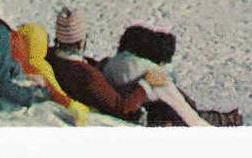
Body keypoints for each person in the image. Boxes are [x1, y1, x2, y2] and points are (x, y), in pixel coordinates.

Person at [103, 25, 241, 127]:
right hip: (155, 116)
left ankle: (227, 119)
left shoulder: (112, 65)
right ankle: (229, 120)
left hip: (145, 109)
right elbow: (187, 113)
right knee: (183, 106)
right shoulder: (151, 74)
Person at [46, 8, 166, 122]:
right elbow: (122, 108)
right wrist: (146, 84)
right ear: (81, 43)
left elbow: (74, 66)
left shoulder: (50, 57)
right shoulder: (88, 77)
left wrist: (98, 65)